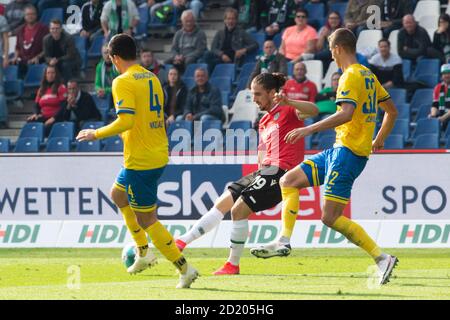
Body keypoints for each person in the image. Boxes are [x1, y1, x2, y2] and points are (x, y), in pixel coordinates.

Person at [251, 28, 399, 286]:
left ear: (339, 48)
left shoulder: (350, 76)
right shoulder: (368, 75)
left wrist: (309, 128)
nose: (331, 55)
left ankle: (381, 258)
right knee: (289, 181)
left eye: (331, 50)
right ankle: (283, 241)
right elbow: (392, 111)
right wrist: (379, 138)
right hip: (339, 150)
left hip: (348, 154)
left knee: (329, 217)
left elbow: (346, 114)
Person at [76, 34, 198, 289]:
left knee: (147, 220)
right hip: (156, 150)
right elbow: (151, 116)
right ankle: (143, 252)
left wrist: (94, 133)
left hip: (141, 160)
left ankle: (185, 269)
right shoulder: (152, 76)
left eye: (111, 60)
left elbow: (127, 120)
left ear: (115, 57)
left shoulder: (122, 81)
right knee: (118, 196)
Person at [175, 72, 318, 275]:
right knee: (222, 203)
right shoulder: (264, 121)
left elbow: (314, 110)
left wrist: (290, 101)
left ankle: (232, 265)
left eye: (258, 94)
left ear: (271, 92)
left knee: (238, 210)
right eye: (252, 94)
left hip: (281, 173)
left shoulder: (287, 110)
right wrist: (259, 170)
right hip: (264, 171)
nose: (255, 99)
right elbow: (262, 151)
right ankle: (182, 242)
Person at [204, 7, 258, 73]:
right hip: (221, 58)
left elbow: (255, 44)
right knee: (207, 55)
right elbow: (213, 48)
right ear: (224, 20)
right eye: (228, 19)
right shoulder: (220, 33)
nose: (230, 21)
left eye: (233, 19)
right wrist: (222, 55)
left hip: (234, 59)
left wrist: (243, 50)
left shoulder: (241, 32)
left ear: (236, 20)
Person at [27, 65, 67, 136]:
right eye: (48, 73)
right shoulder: (41, 89)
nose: (50, 75)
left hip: (56, 118)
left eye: (53, 73)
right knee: (30, 123)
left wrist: (54, 118)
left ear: (56, 74)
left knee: (46, 128)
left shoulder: (61, 87)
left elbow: (63, 106)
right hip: (44, 117)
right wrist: (36, 114)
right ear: (45, 75)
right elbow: (36, 105)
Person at [11, 4, 48, 79]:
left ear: (36, 15)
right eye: (28, 14)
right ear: (24, 16)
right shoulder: (20, 30)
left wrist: (37, 57)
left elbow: (47, 49)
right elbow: (17, 47)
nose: (30, 16)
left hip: (38, 62)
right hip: (23, 62)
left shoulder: (44, 29)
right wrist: (15, 56)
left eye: (32, 14)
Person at [164, 9, 207, 74]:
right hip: (179, 57)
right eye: (186, 21)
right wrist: (176, 56)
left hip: (192, 57)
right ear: (182, 22)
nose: (189, 23)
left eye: (191, 21)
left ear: (194, 21)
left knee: (188, 61)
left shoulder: (200, 33)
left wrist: (184, 57)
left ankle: (186, 79)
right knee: (166, 62)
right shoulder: (178, 33)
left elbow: (200, 50)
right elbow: (173, 49)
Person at [95, 44, 119, 110]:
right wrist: (99, 90)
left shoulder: (119, 65)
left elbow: (119, 86)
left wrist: (105, 90)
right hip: (106, 95)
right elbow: (97, 84)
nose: (107, 55)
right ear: (102, 54)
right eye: (105, 53)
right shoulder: (99, 67)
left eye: (109, 53)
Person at [429, 63, 450, 131]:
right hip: (443, 116)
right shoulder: (438, 87)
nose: (446, 75)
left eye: (448, 73)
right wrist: (433, 116)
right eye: (444, 73)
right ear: (441, 75)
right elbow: (435, 104)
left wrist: (442, 118)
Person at [0, 14, 9, 129]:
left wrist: (6, 56)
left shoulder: (1, 18)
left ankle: (2, 119)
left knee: (0, 91)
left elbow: (6, 39)